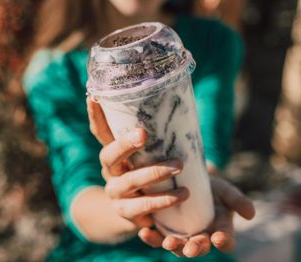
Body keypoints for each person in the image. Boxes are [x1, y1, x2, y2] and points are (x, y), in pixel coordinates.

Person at [23, 0, 255, 261]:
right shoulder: (54, 72)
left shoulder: (212, 40)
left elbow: (207, 146)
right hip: (106, 249)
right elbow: (78, 196)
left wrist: (202, 187)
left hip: (194, 222)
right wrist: (125, 209)